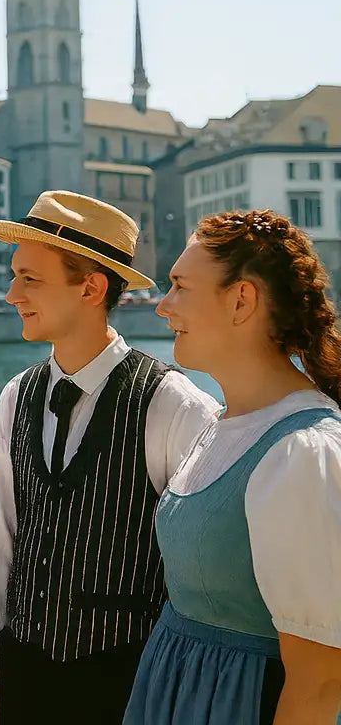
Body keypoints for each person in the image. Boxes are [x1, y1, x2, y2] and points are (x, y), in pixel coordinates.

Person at [0, 191, 220, 725]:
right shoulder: (16, 396)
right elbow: (1, 546)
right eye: (15, 275)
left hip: (130, 689)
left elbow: (203, 582)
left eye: (30, 278)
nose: (12, 293)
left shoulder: (174, 405)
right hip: (23, 678)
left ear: (90, 286)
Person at [124, 210, 341, 724]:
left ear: (241, 300)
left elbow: (321, 684)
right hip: (184, 696)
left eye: (178, 286)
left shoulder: (302, 455)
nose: (162, 307)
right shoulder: (223, 423)